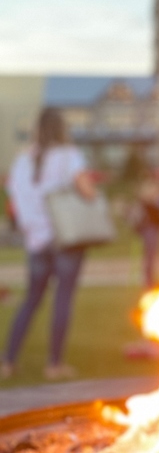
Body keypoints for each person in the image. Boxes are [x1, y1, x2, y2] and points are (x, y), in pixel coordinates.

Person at [2, 108, 97, 380]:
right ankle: (54, 364)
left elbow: (15, 199)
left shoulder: (23, 160)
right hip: (66, 238)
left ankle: (7, 361)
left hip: (36, 240)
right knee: (62, 299)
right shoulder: (69, 156)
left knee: (31, 300)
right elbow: (88, 192)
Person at [132, 174, 159, 289]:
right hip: (149, 228)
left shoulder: (157, 198)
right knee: (150, 255)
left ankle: (149, 279)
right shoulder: (148, 199)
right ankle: (148, 280)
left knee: (152, 254)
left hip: (154, 228)